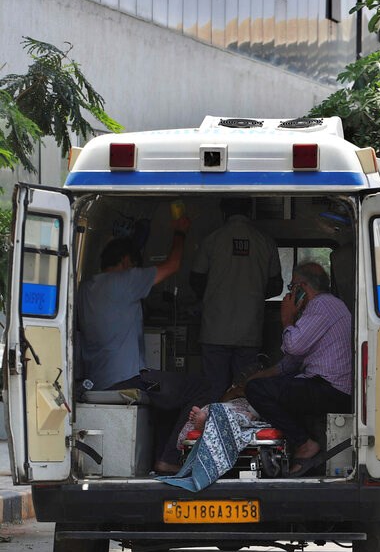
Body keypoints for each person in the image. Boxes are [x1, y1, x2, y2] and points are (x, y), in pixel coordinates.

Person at [78, 218, 217, 474]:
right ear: (126, 263)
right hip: (132, 382)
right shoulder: (125, 280)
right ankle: (169, 459)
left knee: (167, 393)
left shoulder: (86, 288)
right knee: (199, 386)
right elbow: (173, 265)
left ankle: (160, 458)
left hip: (99, 381)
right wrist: (180, 232)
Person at [240, 262, 352, 476]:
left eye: (292, 287)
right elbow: (291, 362)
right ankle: (300, 452)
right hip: (325, 386)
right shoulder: (324, 307)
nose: (290, 293)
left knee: (258, 391)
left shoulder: (322, 305)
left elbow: (294, 345)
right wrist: (258, 378)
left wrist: (287, 318)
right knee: (260, 387)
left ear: (301, 287)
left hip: (330, 389)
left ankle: (305, 444)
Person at [190, 197, 283, 398]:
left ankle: (212, 426)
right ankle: (240, 427)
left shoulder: (212, 239)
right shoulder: (265, 241)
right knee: (244, 389)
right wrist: (253, 293)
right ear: (250, 212)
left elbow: (196, 279)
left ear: (223, 213)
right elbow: (276, 286)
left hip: (214, 329)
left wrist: (213, 294)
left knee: (213, 390)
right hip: (250, 330)